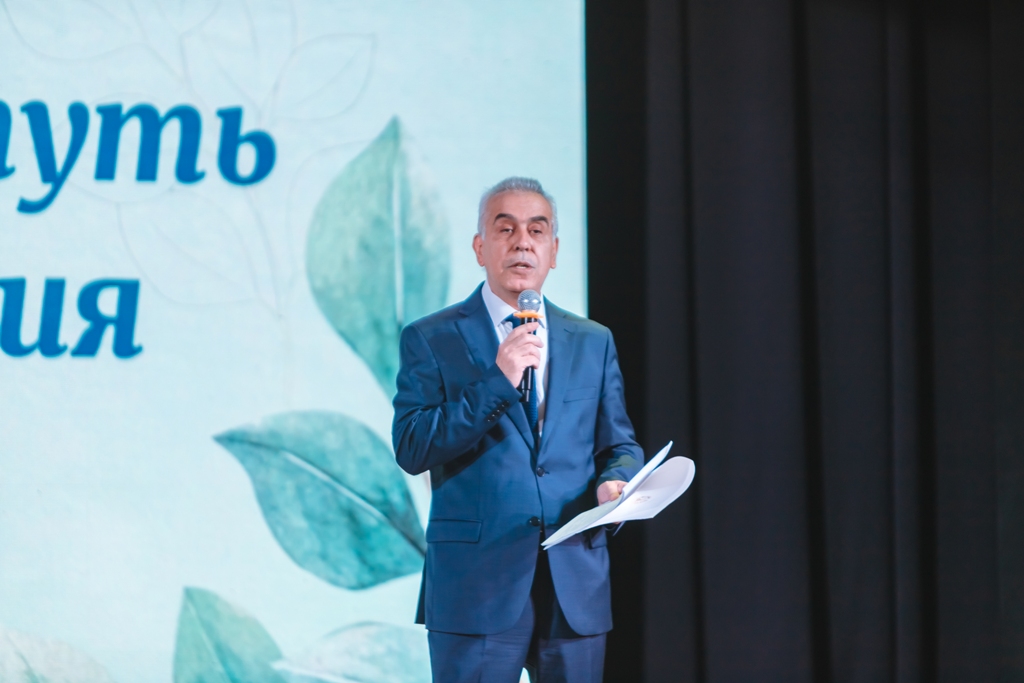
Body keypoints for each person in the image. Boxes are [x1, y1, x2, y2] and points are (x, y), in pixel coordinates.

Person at [392, 177, 643, 682]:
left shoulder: (592, 340)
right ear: (480, 248)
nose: (522, 242)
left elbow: (618, 443)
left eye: (537, 230)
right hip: (475, 585)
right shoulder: (432, 337)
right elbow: (413, 446)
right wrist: (497, 382)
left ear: (554, 251)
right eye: (505, 229)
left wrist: (616, 480)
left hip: (574, 581)